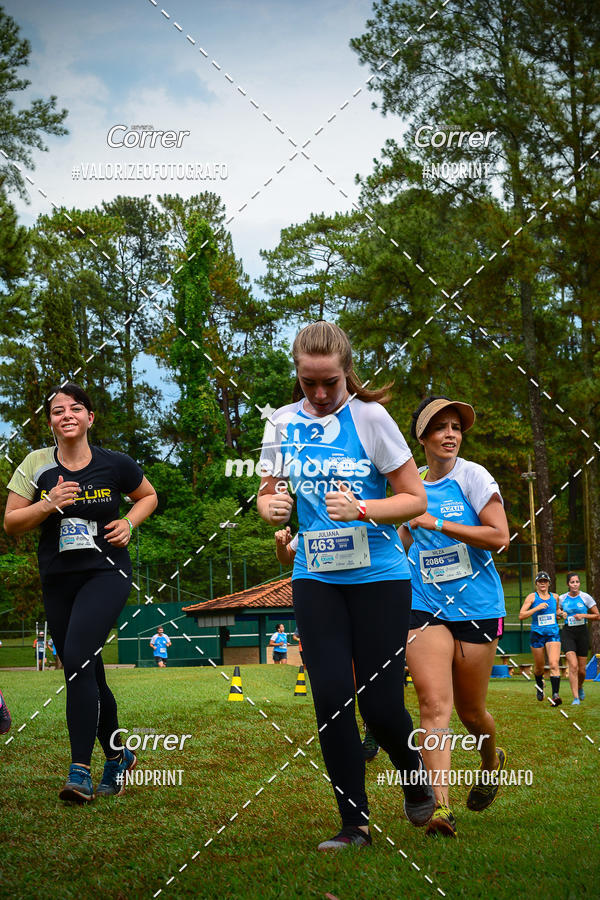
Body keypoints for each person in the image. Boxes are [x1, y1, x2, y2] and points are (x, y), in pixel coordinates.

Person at [258, 320, 434, 851]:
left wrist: (363, 508)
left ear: (346, 373)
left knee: (380, 706)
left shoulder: (371, 418)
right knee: (332, 697)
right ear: (297, 375)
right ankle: (354, 825)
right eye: (308, 382)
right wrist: (273, 507)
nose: (319, 393)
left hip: (380, 578)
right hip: (315, 576)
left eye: (329, 382)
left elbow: (415, 499)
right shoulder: (281, 423)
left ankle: (412, 770)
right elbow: (268, 492)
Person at [4, 383, 157, 802]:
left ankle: (79, 772)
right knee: (87, 668)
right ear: (50, 422)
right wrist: (47, 504)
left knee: (75, 660)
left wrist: (129, 523)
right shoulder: (36, 464)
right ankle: (119, 756)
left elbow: (148, 496)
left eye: (75, 408)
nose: (66, 415)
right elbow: (11, 522)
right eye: (58, 411)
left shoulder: (115, 463)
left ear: (90, 417)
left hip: (106, 573)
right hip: (59, 580)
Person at [399, 396, 509, 839]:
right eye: (440, 427)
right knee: (432, 706)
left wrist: (438, 524)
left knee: (471, 713)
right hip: (424, 606)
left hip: (478, 607)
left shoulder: (473, 476)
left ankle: (490, 761)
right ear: (422, 437)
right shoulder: (411, 484)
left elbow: (499, 536)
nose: (450, 434)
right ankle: (440, 808)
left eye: (456, 427)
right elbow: (398, 543)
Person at [519, 572, 562, 707]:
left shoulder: (555, 597)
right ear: (536, 583)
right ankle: (540, 685)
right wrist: (536, 608)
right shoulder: (532, 597)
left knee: (554, 664)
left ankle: (555, 695)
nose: (543, 583)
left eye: (545, 581)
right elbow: (521, 615)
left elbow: (556, 612)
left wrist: (561, 614)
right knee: (539, 667)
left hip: (553, 634)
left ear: (549, 583)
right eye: (540, 581)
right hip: (537, 635)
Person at [559, 572, 599, 705]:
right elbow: (557, 614)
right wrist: (561, 614)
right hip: (568, 633)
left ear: (579, 583)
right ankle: (575, 698)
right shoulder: (562, 598)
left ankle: (580, 686)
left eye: (577, 582)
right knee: (573, 666)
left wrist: (583, 615)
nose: (575, 584)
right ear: (568, 584)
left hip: (582, 633)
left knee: (582, 671)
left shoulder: (585, 597)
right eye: (572, 582)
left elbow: (597, 615)